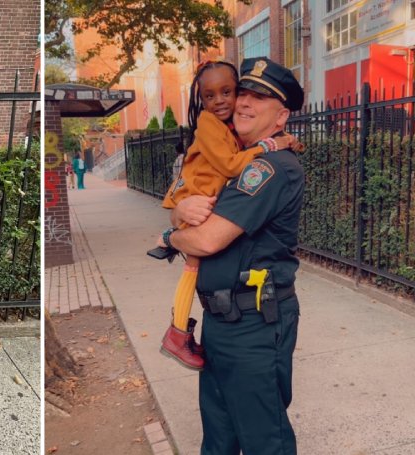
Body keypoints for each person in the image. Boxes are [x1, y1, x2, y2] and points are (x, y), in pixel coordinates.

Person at [160, 57, 305, 454]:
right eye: (242, 92)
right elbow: (185, 193)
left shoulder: (271, 169)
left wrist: (171, 235)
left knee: (263, 440)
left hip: (254, 327)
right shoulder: (236, 161)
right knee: (219, 438)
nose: (242, 102)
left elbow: (206, 241)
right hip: (222, 324)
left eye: (258, 98)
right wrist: (177, 212)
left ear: (281, 117)